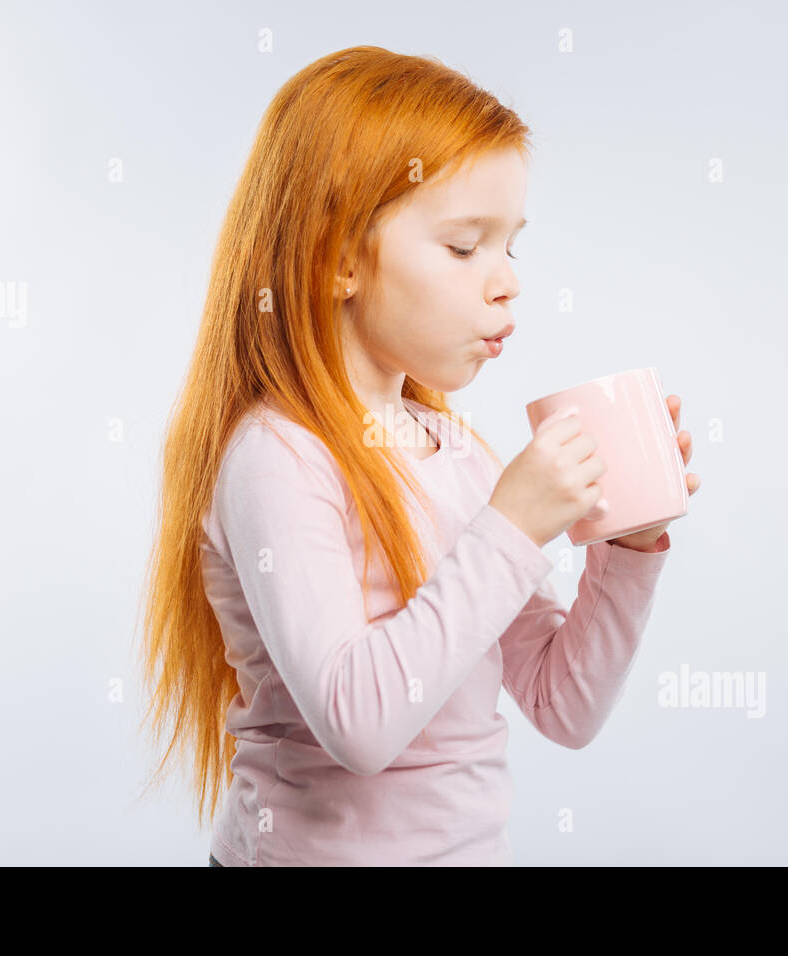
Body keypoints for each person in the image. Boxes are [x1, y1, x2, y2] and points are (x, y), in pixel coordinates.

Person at [139, 45, 700, 867]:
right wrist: (511, 528)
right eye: (466, 247)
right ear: (338, 260)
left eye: (513, 247)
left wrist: (629, 546)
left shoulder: (456, 454)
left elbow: (562, 703)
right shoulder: (277, 457)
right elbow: (358, 723)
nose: (507, 283)